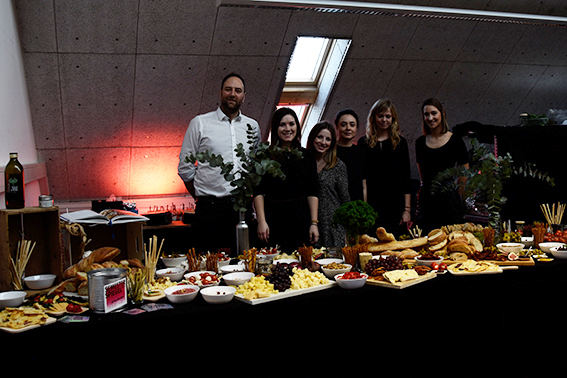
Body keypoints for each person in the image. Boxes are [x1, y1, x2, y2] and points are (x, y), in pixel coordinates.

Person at [177, 73, 260, 256]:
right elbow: (185, 169)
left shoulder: (252, 127)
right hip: (209, 211)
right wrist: (201, 196)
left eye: (238, 91)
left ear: (244, 96)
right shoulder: (200, 123)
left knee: (243, 265)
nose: (232, 94)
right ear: (221, 92)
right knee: (208, 267)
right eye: (228, 89)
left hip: (242, 211)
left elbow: (256, 166)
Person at [253, 107, 319, 252]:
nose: (287, 129)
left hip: (301, 217)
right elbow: (258, 191)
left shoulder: (307, 156)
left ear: (297, 126)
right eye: (282, 125)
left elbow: (312, 191)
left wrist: (314, 223)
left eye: (291, 124)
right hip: (273, 218)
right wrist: (261, 221)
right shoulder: (264, 155)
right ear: (275, 128)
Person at [358, 99, 412, 237]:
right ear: (373, 117)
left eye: (388, 116)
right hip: (372, 204)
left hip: (395, 204)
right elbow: (362, 178)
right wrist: (364, 208)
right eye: (380, 116)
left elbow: (406, 178)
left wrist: (407, 210)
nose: (384, 120)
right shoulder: (363, 143)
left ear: (393, 118)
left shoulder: (401, 142)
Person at [415, 98, 470, 233]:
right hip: (427, 200)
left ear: (442, 113)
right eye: (426, 115)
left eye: (434, 113)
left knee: (451, 240)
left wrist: (458, 192)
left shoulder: (455, 140)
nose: (430, 118)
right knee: (426, 239)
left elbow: (465, 169)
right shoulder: (420, 142)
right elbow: (421, 172)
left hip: (449, 199)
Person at [307, 121, 350, 248]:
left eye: (328, 139)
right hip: (309, 222)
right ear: (312, 137)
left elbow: (345, 198)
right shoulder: (304, 162)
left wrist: (347, 231)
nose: (323, 142)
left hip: (332, 225)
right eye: (319, 137)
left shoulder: (338, 166)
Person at [334, 109, 366, 202]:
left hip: (356, 206)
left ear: (356, 128)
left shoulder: (361, 153)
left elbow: (364, 186)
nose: (348, 128)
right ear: (337, 127)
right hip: (333, 205)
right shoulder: (329, 151)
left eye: (352, 125)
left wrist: (364, 207)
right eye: (343, 125)